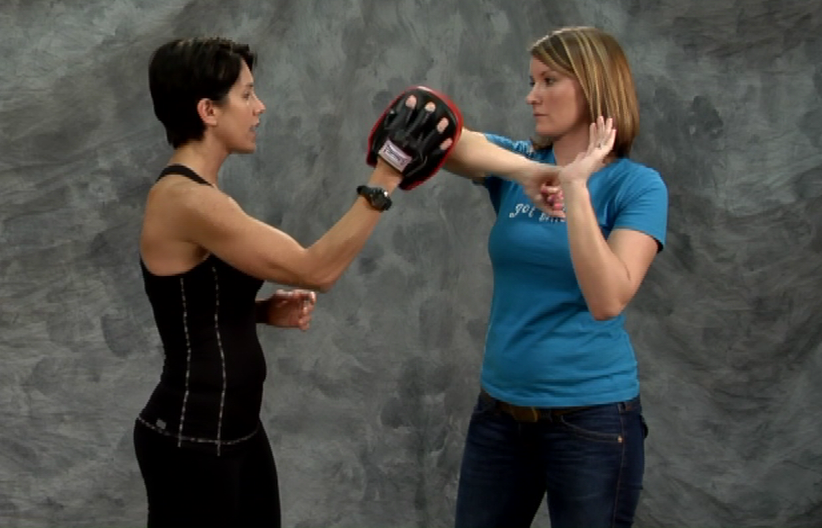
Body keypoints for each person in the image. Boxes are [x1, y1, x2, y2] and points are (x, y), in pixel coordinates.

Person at [130, 36, 560, 528]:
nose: (260, 106)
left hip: (235, 431)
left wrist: (262, 311)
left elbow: (184, 303)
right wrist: (387, 173)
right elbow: (317, 269)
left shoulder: (204, 195)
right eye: (247, 95)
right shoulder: (185, 200)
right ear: (208, 110)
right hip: (192, 436)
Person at [443, 26, 669, 528]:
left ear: (593, 86)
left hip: (591, 421)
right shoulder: (521, 166)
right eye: (531, 81)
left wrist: (575, 186)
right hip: (500, 418)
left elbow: (608, 298)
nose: (531, 95)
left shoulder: (637, 186)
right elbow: (442, 138)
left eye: (549, 80)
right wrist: (529, 172)